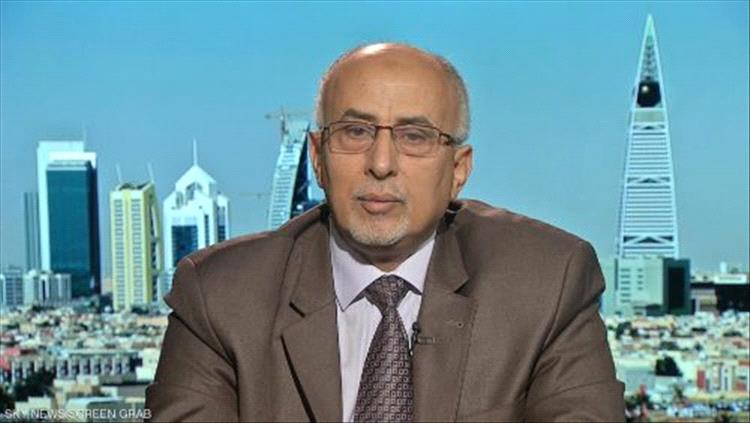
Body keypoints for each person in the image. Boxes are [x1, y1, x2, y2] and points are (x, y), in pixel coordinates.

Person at [145, 42, 625, 422]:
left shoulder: (549, 283)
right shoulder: (219, 296)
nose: (380, 164)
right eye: (355, 132)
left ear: (459, 169)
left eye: (415, 137)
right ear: (317, 157)